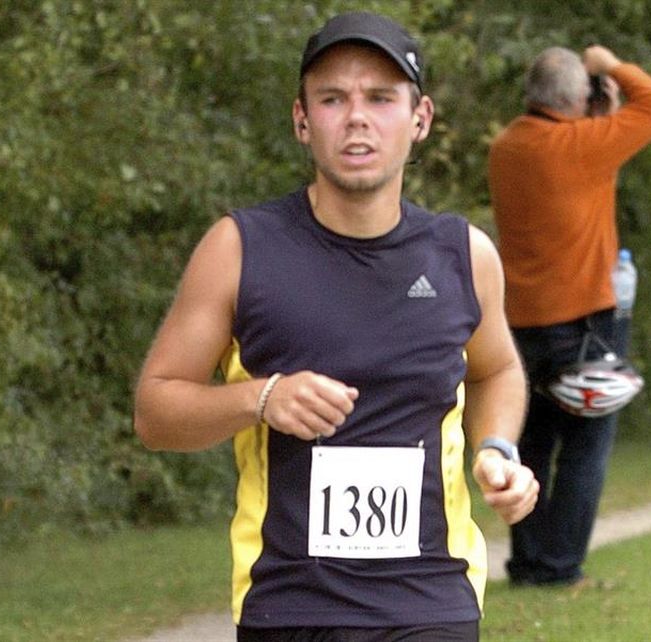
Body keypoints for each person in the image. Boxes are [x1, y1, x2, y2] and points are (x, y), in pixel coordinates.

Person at [135, 11, 538, 641]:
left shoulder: (463, 254)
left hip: (431, 600)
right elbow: (155, 414)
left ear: (420, 119)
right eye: (332, 99)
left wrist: (497, 451)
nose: (357, 117)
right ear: (302, 120)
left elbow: (498, 370)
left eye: (381, 98)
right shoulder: (241, 248)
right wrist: (261, 398)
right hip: (292, 604)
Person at [488, 45, 651, 587]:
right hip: (586, 323)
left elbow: (574, 174)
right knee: (586, 448)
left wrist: (594, 115)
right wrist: (609, 62)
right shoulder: (583, 145)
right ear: (576, 97)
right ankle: (560, 567)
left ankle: (527, 562)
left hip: (522, 322)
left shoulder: (507, 147)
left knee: (534, 446)